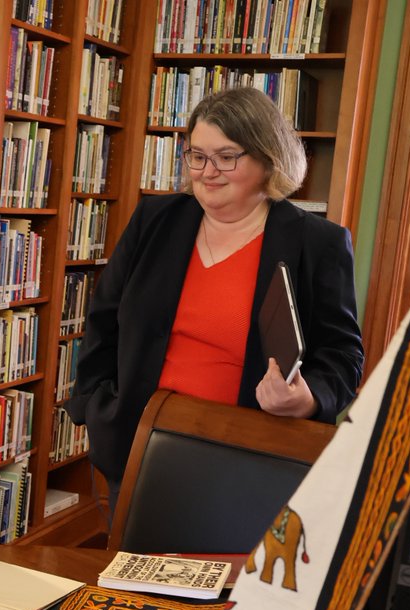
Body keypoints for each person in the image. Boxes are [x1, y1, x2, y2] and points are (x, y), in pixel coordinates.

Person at [66, 88, 364, 508]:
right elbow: (104, 321)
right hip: (139, 449)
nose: (208, 171)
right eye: (197, 156)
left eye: (227, 157)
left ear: (267, 159)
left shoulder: (318, 243)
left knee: (224, 576)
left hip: (249, 465)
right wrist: (93, 406)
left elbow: (343, 355)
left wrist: (308, 397)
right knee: (130, 573)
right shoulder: (155, 221)